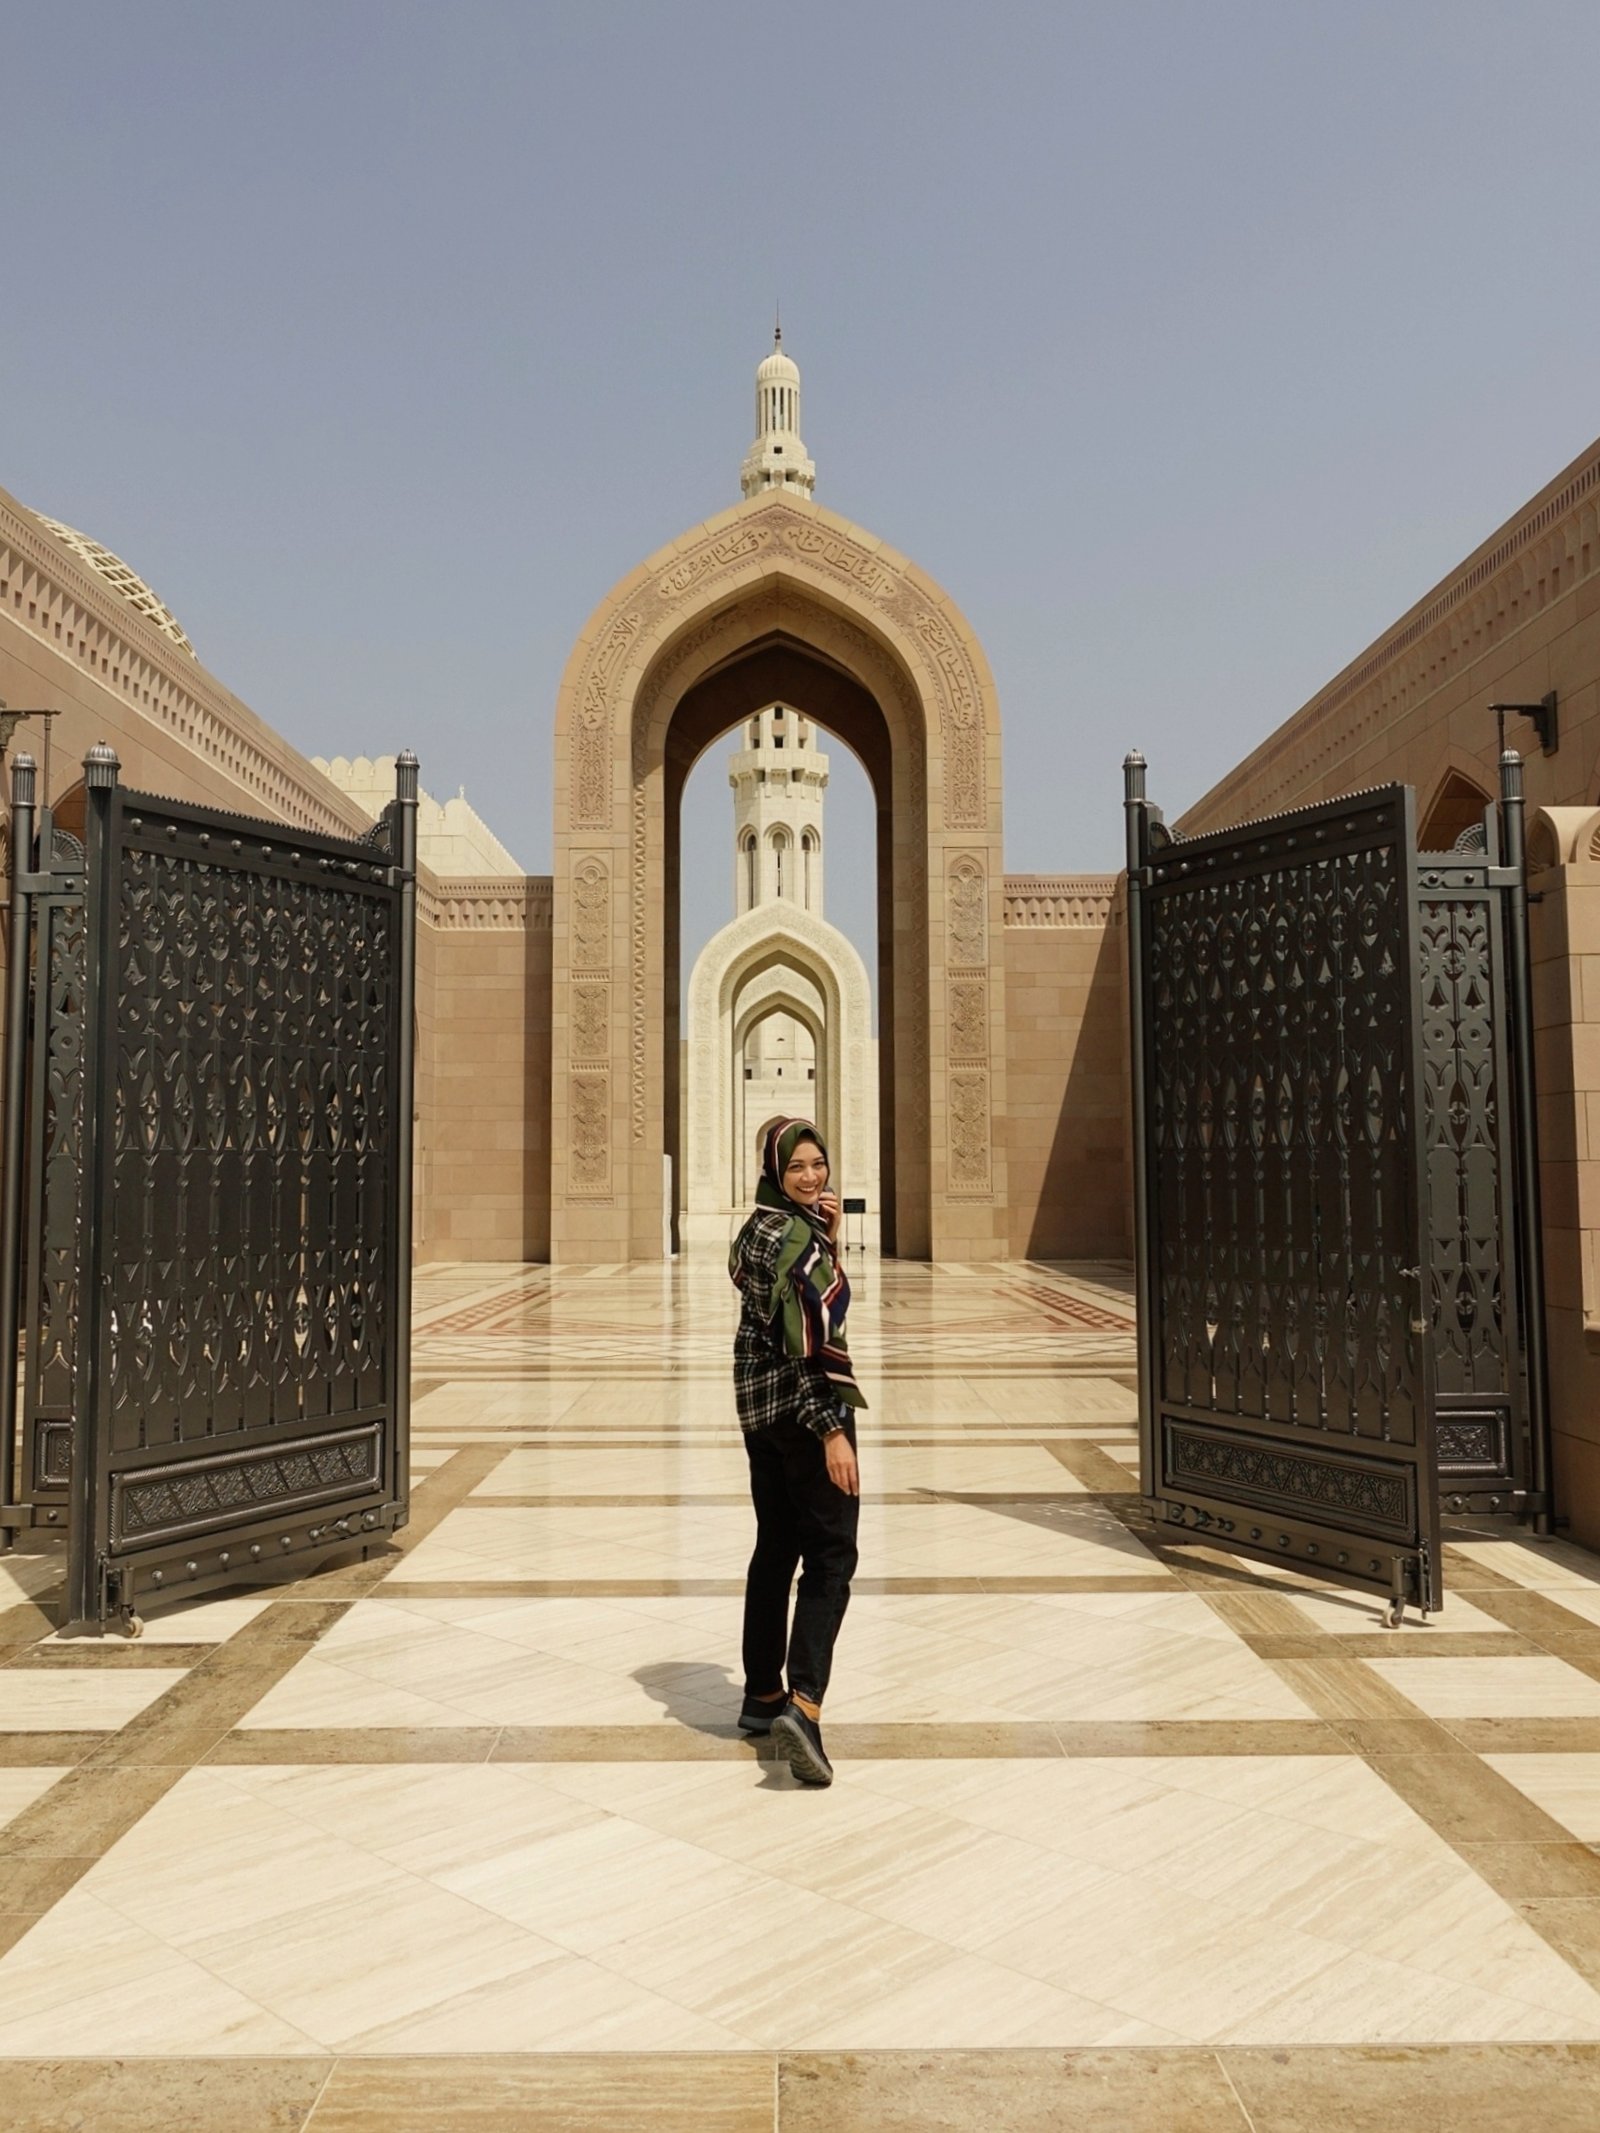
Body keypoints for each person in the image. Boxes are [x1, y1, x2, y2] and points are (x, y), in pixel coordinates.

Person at [728, 1116, 866, 1787]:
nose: (811, 1177)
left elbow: (768, 1305)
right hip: (806, 1414)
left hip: (760, 1416)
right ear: (774, 1172)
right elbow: (803, 1342)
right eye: (797, 1169)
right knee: (833, 1552)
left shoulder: (759, 1228)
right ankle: (804, 1705)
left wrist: (826, 1236)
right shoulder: (793, 1239)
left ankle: (760, 1694)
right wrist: (832, 1429)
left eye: (818, 1165)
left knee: (776, 1545)